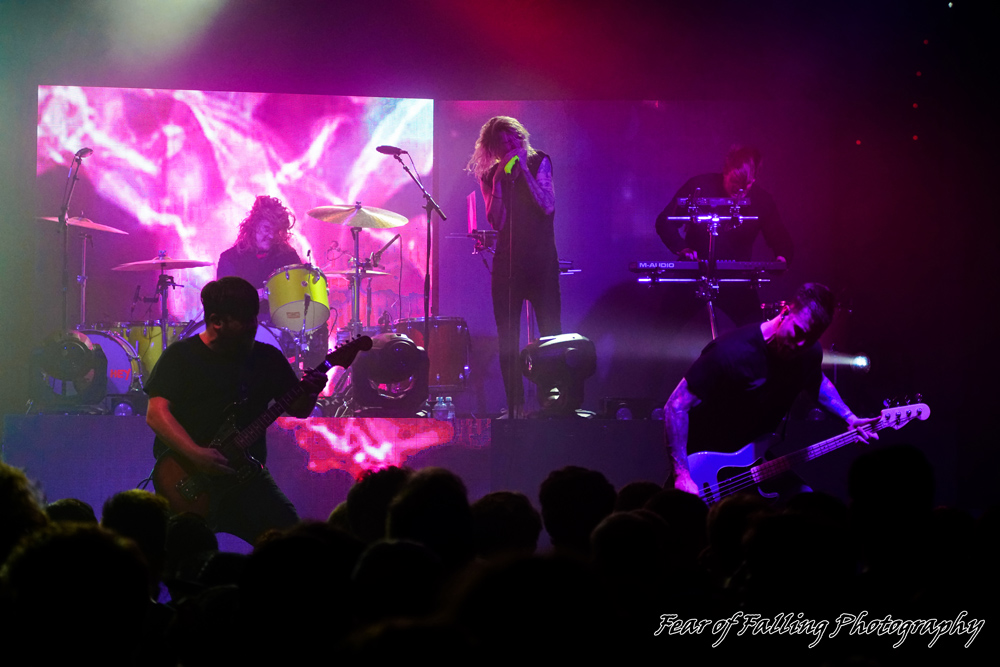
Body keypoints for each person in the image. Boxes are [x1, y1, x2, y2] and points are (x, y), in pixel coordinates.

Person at [145, 277, 327, 543]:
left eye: (254, 317)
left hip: (245, 478)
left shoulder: (267, 358)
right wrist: (196, 454)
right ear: (217, 321)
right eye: (245, 320)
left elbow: (299, 409)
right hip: (190, 476)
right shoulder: (181, 356)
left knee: (291, 542)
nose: (254, 326)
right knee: (186, 558)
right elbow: (156, 413)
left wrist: (312, 389)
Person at [663, 282, 877, 498]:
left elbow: (817, 381)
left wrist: (848, 417)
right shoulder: (729, 352)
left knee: (805, 502)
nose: (800, 345)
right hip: (706, 469)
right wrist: (682, 475)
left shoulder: (808, 353)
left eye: (810, 339)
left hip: (754, 463)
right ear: (785, 313)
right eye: (798, 332)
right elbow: (675, 406)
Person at [467, 116, 561, 418]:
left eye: (514, 141)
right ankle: (515, 405)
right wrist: (498, 182)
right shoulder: (491, 175)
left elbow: (547, 206)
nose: (511, 149)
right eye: (504, 145)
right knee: (508, 337)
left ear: (522, 138)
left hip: (542, 260)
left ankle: (552, 401)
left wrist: (523, 174)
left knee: (550, 333)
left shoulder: (540, 161)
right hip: (508, 263)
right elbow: (497, 221)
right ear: (494, 149)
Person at [654, 145, 794, 326]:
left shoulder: (762, 200)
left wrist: (782, 258)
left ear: (753, 180)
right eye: (734, 185)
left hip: (737, 279)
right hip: (694, 272)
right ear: (725, 172)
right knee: (664, 327)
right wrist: (682, 248)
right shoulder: (699, 186)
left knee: (754, 333)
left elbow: (780, 237)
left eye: (746, 188)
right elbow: (664, 222)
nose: (739, 194)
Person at [218, 194, 329, 366]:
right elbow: (224, 304)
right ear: (253, 225)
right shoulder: (230, 259)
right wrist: (259, 294)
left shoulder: (287, 255)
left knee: (318, 325)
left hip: (286, 325)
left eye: (276, 231)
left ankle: (310, 385)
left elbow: (299, 297)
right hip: (244, 329)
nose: (271, 236)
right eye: (266, 228)